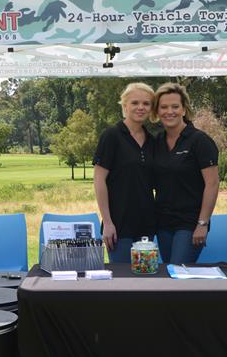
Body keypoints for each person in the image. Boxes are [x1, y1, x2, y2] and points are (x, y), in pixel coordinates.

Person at [151, 82, 219, 264]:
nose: (169, 111)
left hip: (190, 223)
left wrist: (202, 223)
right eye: (164, 107)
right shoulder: (157, 141)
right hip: (163, 222)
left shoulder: (200, 141)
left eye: (175, 106)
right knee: (169, 271)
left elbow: (212, 184)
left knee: (178, 269)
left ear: (183, 109)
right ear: (157, 111)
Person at [93, 83, 157, 263]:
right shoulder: (111, 136)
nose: (140, 107)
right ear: (125, 106)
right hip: (118, 224)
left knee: (144, 274)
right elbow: (99, 180)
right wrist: (107, 222)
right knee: (121, 277)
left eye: (146, 103)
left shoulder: (153, 141)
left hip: (146, 223)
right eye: (135, 102)